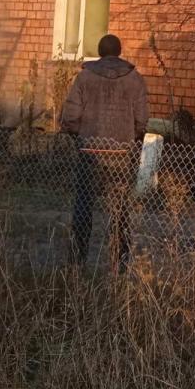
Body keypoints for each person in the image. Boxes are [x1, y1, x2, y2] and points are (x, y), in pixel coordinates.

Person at [60, 33, 149, 270]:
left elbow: (70, 116)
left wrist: (77, 134)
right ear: (119, 52)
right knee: (119, 209)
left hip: (89, 151)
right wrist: (134, 138)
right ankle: (119, 263)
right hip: (121, 153)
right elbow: (142, 119)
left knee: (83, 205)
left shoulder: (85, 77)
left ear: (99, 52)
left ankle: (77, 262)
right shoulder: (135, 79)